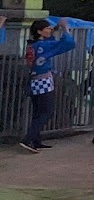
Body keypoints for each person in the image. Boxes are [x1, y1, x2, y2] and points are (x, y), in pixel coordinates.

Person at [20, 18, 76, 153]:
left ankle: (36, 140)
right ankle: (28, 139)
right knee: (47, 111)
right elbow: (68, 43)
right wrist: (65, 28)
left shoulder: (32, 45)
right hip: (43, 81)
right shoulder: (44, 46)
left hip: (33, 81)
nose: (50, 30)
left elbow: (50, 42)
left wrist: (55, 30)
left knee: (38, 112)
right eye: (47, 28)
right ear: (40, 31)